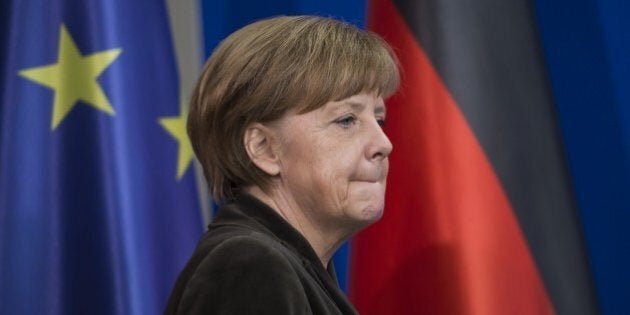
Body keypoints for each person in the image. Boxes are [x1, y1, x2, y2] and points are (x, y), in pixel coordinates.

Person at [165, 15, 399, 314]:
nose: (383, 143)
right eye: (346, 120)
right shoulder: (250, 266)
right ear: (264, 149)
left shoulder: (293, 268)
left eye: (379, 120)